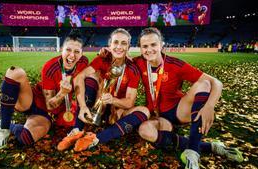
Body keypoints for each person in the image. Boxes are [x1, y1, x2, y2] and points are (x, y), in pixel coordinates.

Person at [133, 28, 243, 169]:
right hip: (158, 115)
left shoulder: (175, 64)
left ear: (161, 44)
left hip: (179, 110)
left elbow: (216, 83)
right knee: (144, 131)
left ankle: (192, 152)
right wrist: (105, 54)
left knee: (203, 83)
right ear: (140, 48)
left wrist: (209, 106)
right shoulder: (139, 62)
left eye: (153, 45)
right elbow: (119, 60)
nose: (149, 50)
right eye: (145, 46)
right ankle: (211, 147)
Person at [0, 30, 88, 150]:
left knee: (26, 138)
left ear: (82, 53)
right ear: (62, 49)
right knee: (14, 72)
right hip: (34, 101)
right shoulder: (50, 67)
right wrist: (62, 93)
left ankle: (10, 126)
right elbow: (50, 104)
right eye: (68, 50)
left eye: (77, 51)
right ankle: (4, 128)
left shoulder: (83, 62)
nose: (72, 55)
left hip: (45, 115)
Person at [57, 28, 150, 152]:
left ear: (128, 46)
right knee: (90, 78)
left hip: (117, 112)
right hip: (97, 108)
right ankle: (77, 130)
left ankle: (96, 138)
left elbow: (130, 102)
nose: (119, 47)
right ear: (109, 45)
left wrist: (113, 100)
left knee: (144, 111)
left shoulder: (132, 69)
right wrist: (83, 106)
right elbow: (79, 78)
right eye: (115, 42)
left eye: (123, 43)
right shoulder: (102, 59)